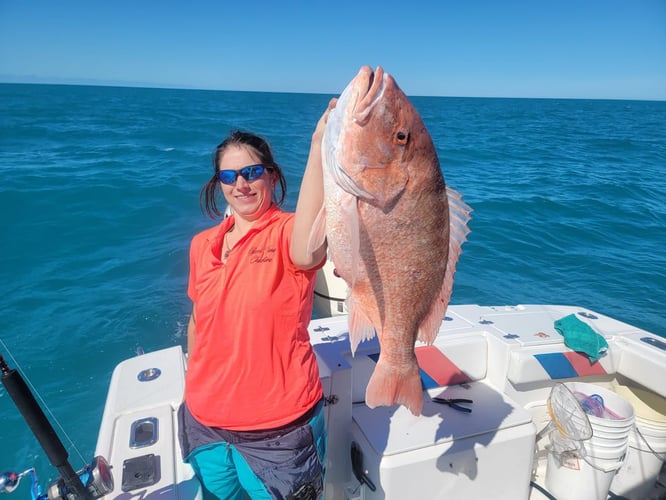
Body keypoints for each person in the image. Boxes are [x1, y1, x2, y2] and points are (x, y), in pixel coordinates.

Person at [178, 100, 336, 500]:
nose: (241, 184)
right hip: (204, 424)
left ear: (271, 175)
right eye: (229, 176)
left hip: (278, 433)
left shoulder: (287, 232)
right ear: (218, 183)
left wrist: (320, 143)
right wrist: (192, 390)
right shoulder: (202, 245)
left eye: (252, 172)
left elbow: (308, 252)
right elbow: (199, 320)